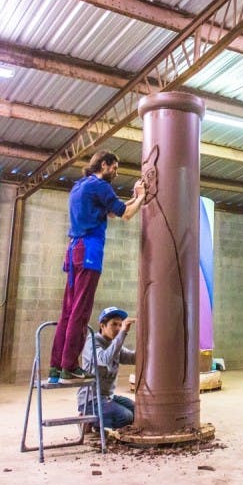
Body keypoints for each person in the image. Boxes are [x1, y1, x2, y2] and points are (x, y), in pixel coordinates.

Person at [49, 150, 145, 383]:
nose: (116, 172)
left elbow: (112, 211)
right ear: (104, 165)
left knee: (68, 311)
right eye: (114, 167)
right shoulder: (101, 186)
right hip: (89, 252)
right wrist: (142, 197)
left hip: (74, 251)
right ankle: (70, 366)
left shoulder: (81, 186)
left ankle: (56, 366)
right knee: (81, 312)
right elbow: (126, 215)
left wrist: (134, 197)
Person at [77, 306, 137, 430]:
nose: (118, 328)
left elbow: (132, 358)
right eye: (114, 324)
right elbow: (104, 359)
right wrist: (123, 333)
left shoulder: (113, 344)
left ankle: (99, 419)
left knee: (138, 410)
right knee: (126, 417)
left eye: (120, 325)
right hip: (91, 400)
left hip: (109, 397)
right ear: (102, 325)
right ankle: (88, 420)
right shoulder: (92, 342)